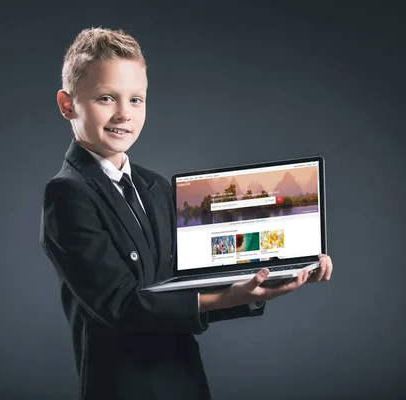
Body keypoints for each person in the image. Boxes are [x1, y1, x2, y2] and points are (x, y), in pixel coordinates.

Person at [39, 27, 333, 400]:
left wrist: (262, 285)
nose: (123, 113)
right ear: (68, 105)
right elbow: (120, 306)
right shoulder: (67, 194)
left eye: (136, 100)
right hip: (123, 387)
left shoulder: (156, 187)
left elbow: (183, 287)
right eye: (105, 98)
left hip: (185, 381)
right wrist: (229, 296)